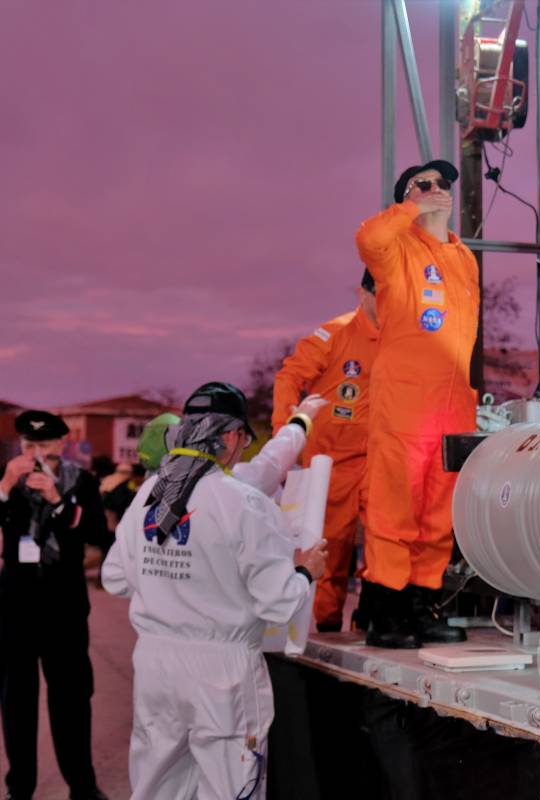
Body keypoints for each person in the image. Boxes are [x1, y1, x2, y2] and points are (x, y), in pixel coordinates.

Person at [101, 381, 328, 799]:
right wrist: (305, 571)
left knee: (157, 787)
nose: (243, 450)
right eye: (244, 439)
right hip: (221, 673)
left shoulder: (149, 496)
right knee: (230, 789)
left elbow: (114, 577)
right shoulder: (243, 502)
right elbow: (278, 602)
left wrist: (170, 581)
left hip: (156, 667)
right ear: (229, 436)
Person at [354, 158, 478, 648]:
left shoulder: (464, 258)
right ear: (406, 197)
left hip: (451, 406)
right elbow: (368, 239)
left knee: (438, 511)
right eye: (421, 184)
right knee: (393, 505)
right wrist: (407, 208)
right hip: (403, 402)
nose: (435, 190)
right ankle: (383, 610)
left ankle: (423, 604)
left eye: (440, 184)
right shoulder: (395, 247)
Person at [0, 410, 109, 800]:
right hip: (16, 608)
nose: (37, 453)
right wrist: (5, 485)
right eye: (29, 445)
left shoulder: (83, 482)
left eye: (45, 445)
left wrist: (58, 501)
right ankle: (20, 789)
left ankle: (82, 785)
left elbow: (99, 535)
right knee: (17, 704)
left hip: (64, 608)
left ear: (62, 445)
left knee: (72, 699)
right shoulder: (7, 480)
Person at [272, 269, 379, 632]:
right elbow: (289, 378)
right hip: (332, 464)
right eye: (382, 296)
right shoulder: (335, 334)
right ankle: (324, 626)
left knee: (387, 544)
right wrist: (287, 437)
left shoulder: (402, 339)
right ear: (364, 293)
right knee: (329, 549)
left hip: (381, 460)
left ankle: (372, 618)